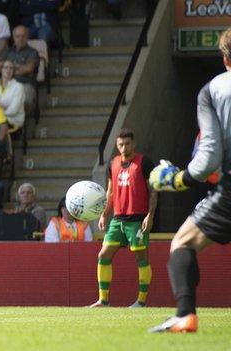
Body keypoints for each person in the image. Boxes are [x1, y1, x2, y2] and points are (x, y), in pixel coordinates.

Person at [148, 28, 231, 333]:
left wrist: (180, 178)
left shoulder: (213, 90)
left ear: (224, 58)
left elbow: (209, 155)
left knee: (183, 243)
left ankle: (185, 315)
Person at [89, 128, 157, 309]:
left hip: (137, 219)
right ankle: (103, 300)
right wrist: (104, 213)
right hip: (117, 219)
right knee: (103, 255)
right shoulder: (113, 164)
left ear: (133, 144)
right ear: (117, 145)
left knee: (141, 257)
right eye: (121, 144)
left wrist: (150, 215)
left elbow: (153, 191)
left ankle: (141, 302)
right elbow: (110, 191)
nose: (124, 147)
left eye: (127, 144)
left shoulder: (145, 163)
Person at [0, 25, 38, 115]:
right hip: (6, 85)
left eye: (23, 36)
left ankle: (17, 123)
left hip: (24, 84)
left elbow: (28, 69)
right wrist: (18, 68)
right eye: (17, 36)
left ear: (27, 37)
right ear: (13, 38)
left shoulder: (32, 52)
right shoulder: (7, 52)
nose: (20, 39)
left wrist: (8, 68)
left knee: (22, 101)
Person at [0, 59, 25, 129]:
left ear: (13, 71)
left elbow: (13, 110)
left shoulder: (18, 87)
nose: (8, 70)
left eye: (11, 68)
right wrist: (2, 108)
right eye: (6, 67)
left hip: (13, 120)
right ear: (1, 70)